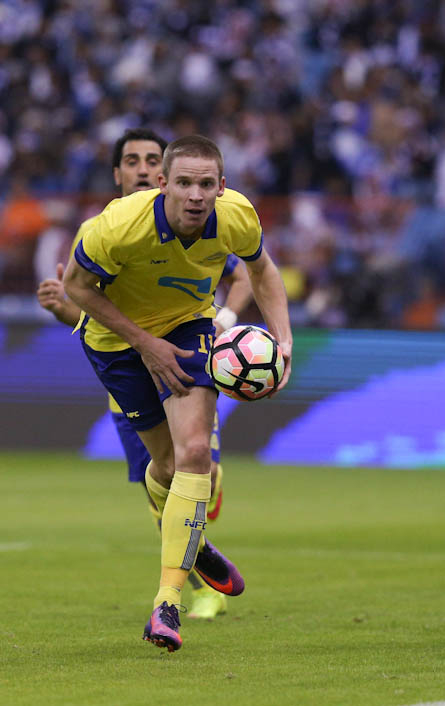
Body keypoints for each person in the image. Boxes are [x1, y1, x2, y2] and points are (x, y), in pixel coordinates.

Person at [63, 134, 292, 652]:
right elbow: (78, 288)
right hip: (116, 343)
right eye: (184, 183)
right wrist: (144, 344)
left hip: (190, 330)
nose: (195, 195)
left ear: (221, 187)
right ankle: (199, 547)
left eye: (206, 184)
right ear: (163, 183)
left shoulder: (237, 216)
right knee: (166, 469)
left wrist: (284, 340)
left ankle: (166, 604)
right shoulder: (117, 226)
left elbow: (261, 270)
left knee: (195, 457)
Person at [37, 128, 252, 622]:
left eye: (150, 159)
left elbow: (243, 274)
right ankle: (198, 560)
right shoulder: (107, 232)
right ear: (118, 174)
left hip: (182, 347)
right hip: (129, 365)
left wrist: (221, 323)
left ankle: (185, 596)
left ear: (163, 174)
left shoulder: (202, 221)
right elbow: (92, 318)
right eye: (130, 160)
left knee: (199, 461)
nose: (140, 168)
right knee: (168, 478)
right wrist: (60, 311)